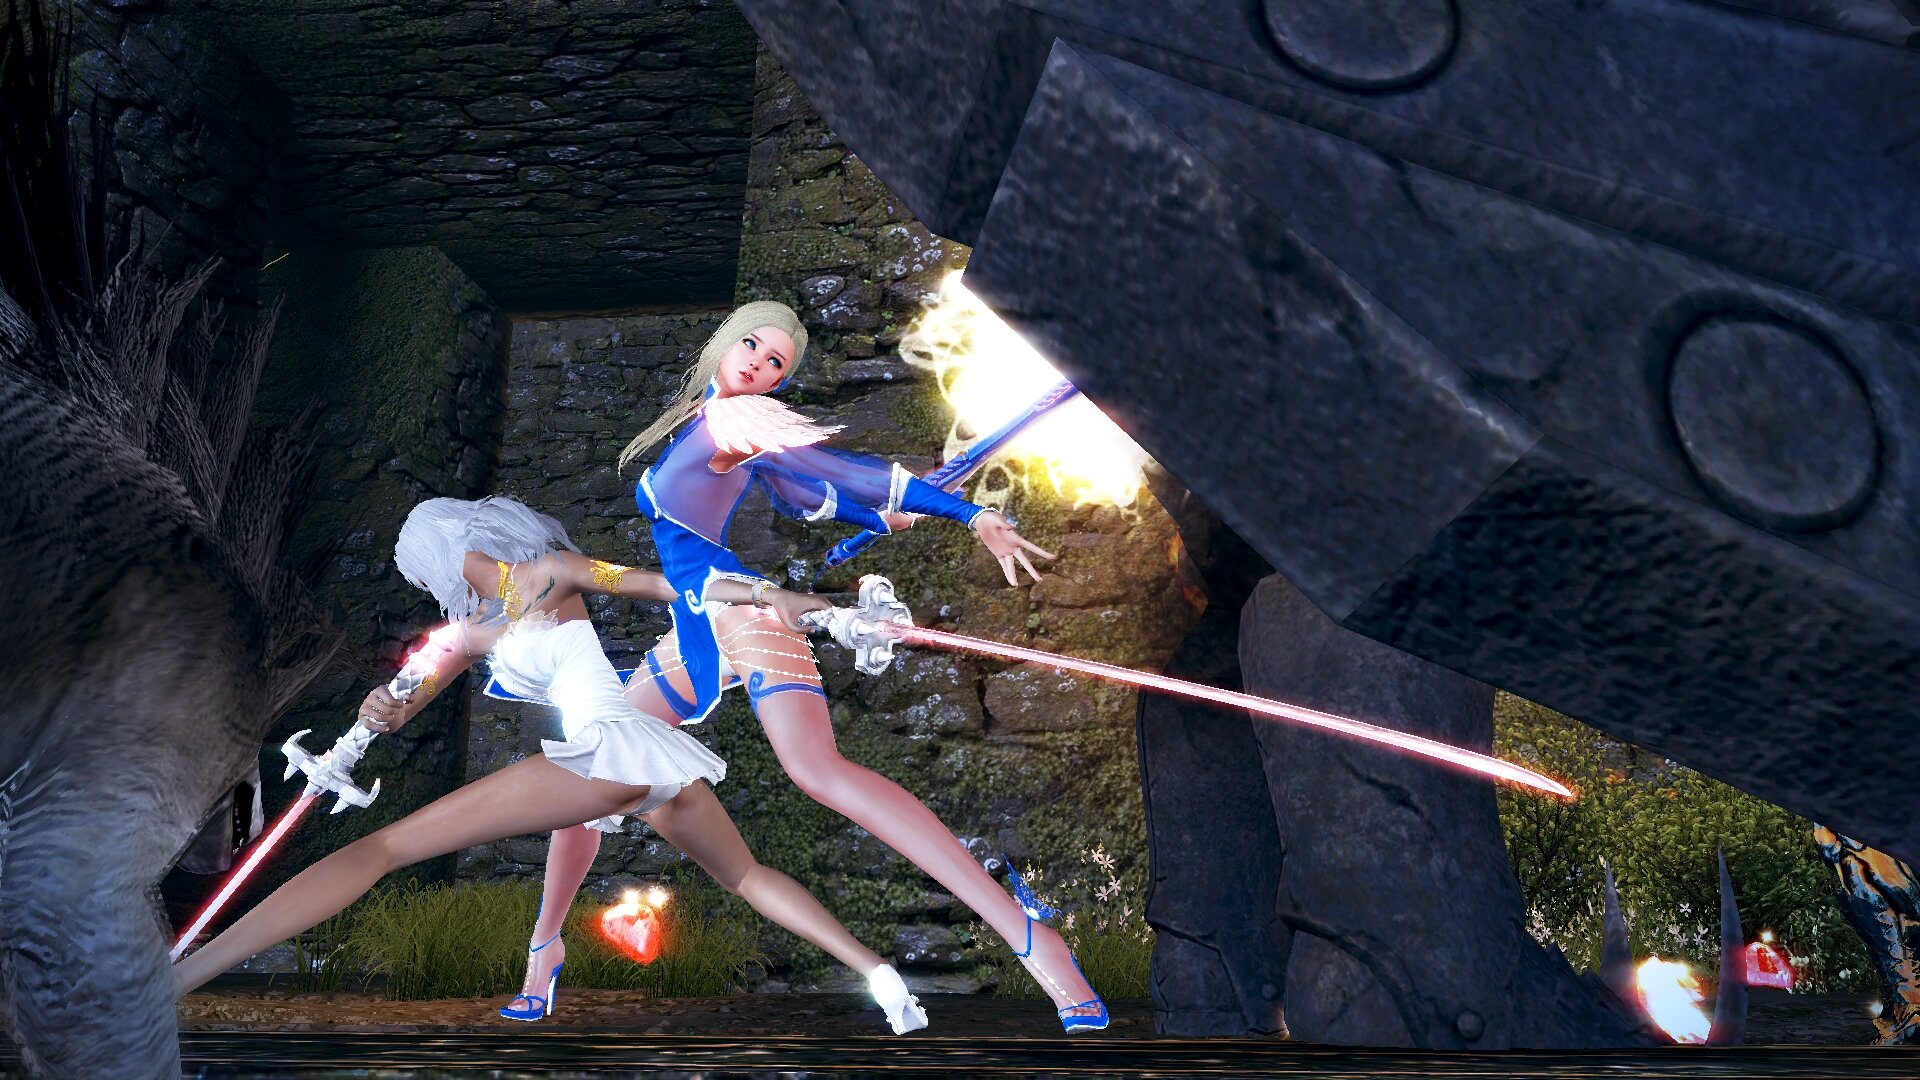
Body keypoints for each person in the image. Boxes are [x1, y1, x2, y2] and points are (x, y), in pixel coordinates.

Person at [524, 301, 1107, 1032]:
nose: (758, 364)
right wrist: (872, 517)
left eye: (776, 362)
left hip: (744, 613)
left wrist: (965, 514)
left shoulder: (738, 419)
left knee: (818, 771)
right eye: (752, 345)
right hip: (696, 625)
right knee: (590, 766)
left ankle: (1030, 938)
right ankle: (545, 948)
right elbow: (804, 494)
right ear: (725, 341)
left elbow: (836, 470)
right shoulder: (707, 418)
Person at [171, 496, 929, 1034]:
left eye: (433, 566)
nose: (444, 578)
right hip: (645, 762)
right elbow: (404, 697)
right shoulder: (472, 628)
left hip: (605, 754)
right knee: (746, 876)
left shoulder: (553, 573)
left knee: (382, 848)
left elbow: (679, 587)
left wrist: (807, 607)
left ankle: (179, 979)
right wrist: (380, 710)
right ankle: (878, 974)